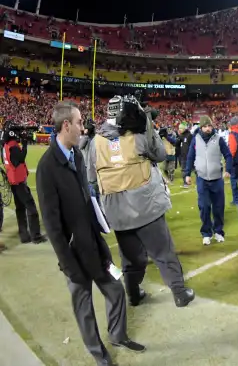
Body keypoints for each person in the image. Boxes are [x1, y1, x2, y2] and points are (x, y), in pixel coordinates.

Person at [36, 101, 145, 366]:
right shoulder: (47, 167)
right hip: (73, 256)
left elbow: (87, 205)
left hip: (93, 247)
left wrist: (101, 242)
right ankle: (100, 356)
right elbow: (52, 225)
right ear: (66, 126)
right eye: (79, 123)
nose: (83, 128)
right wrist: (68, 264)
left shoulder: (77, 155)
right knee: (84, 310)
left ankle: (117, 336)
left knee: (116, 290)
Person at [87, 96, 195, 308]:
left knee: (130, 258)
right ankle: (179, 292)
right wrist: (147, 123)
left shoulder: (95, 142)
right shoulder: (138, 136)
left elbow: (91, 177)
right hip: (147, 207)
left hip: (117, 211)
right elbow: (161, 154)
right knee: (163, 252)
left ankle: (134, 294)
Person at [183, 115, 233, 245]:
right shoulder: (195, 139)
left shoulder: (219, 139)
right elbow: (190, 157)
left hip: (217, 179)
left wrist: (228, 169)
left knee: (218, 207)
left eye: (209, 126)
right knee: (204, 207)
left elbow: (228, 155)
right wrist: (187, 174)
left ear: (212, 126)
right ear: (201, 127)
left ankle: (218, 232)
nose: (207, 128)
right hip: (202, 178)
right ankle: (206, 233)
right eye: (205, 126)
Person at [2, 127, 47, 244]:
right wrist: (25, 144)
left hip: (13, 181)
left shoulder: (5, 145)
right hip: (19, 182)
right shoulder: (12, 146)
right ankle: (35, 236)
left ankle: (24, 235)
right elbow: (20, 158)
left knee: (20, 208)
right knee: (31, 207)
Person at [176, 122, 192, 188]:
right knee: (183, 170)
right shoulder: (181, 136)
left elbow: (192, 145)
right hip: (183, 156)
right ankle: (185, 183)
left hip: (190, 156)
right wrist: (178, 137)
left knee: (196, 169)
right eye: (179, 128)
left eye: (181, 128)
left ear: (184, 128)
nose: (179, 129)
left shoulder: (189, 135)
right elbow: (176, 144)